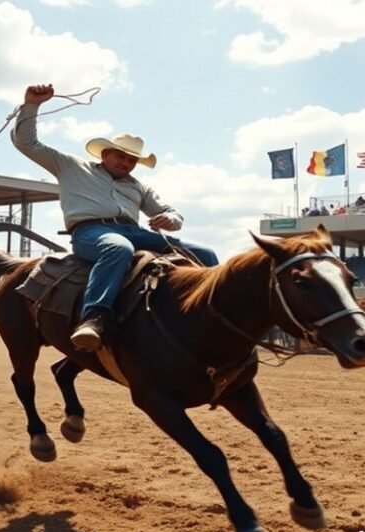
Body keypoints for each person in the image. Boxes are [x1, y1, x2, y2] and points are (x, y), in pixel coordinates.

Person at [12, 83, 218, 352]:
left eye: (132, 160)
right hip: (91, 233)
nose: (126, 163)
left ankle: (209, 318)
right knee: (117, 248)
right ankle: (94, 317)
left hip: (136, 233)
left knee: (206, 254)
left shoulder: (137, 186)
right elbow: (28, 143)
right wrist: (32, 105)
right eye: (121, 156)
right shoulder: (71, 166)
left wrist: (170, 220)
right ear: (105, 154)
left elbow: (170, 211)